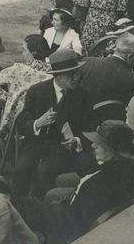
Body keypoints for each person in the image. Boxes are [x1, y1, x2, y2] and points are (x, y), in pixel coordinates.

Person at [15, 120, 134, 244]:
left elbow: (74, 221)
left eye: (99, 144)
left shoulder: (97, 184)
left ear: (113, 149)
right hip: (75, 214)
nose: (93, 146)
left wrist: (54, 208)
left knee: (21, 207)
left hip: (67, 229)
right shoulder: (125, 168)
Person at [16, 48, 95, 197]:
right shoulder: (37, 91)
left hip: (65, 150)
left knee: (44, 172)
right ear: (59, 76)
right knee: (20, 170)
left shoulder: (84, 95)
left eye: (78, 73)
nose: (77, 77)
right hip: (37, 144)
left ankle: (43, 208)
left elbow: (90, 128)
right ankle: (17, 208)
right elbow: (21, 124)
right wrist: (38, 123)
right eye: (72, 74)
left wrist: (77, 140)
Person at [0, 34, 52, 142]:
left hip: (17, 125)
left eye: (25, 51)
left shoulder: (18, 70)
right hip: (46, 124)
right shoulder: (54, 74)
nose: (22, 54)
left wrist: (10, 99)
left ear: (33, 53)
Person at [77, 33, 134, 118]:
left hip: (79, 116)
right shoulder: (132, 79)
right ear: (130, 56)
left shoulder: (87, 62)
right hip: (108, 122)